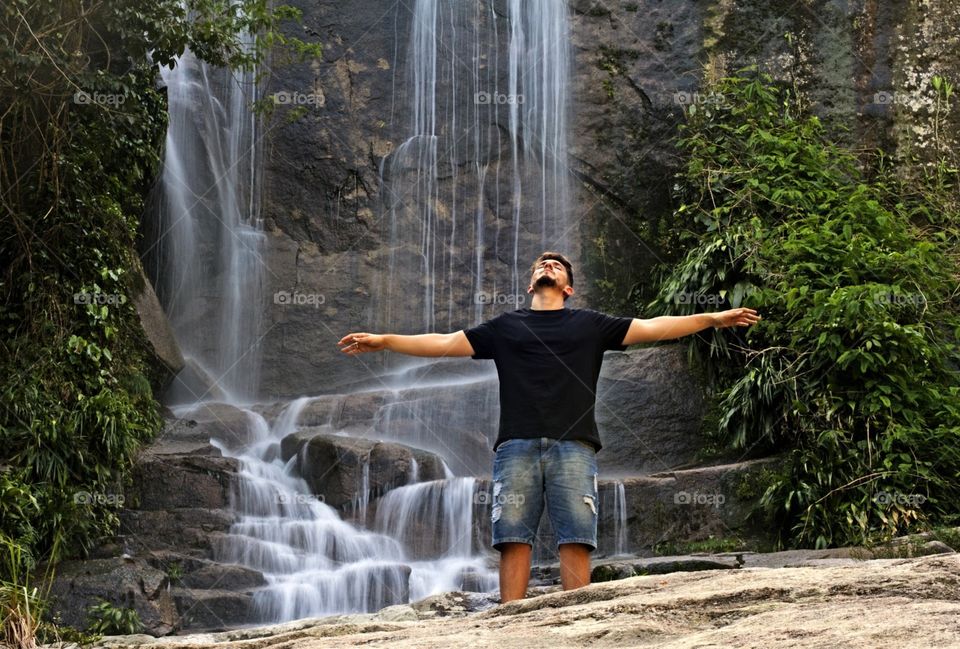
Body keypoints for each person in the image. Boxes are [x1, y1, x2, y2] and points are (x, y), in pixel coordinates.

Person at [338, 251, 760, 602]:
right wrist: (385, 340)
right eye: (543, 263)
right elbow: (444, 342)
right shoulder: (505, 327)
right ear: (530, 283)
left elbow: (653, 328)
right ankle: (511, 622)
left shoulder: (591, 325)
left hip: (574, 445)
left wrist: (712, 318)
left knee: (576, 533)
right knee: (512, 535)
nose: (549, 265)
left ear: (569, 288)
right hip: (515, 445)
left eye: (558, 265)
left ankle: (574, 616)